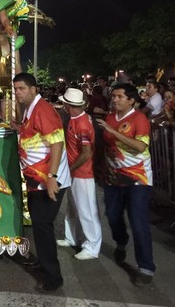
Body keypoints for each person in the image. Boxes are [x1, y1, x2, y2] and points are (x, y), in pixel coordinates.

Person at [11, 72, 71, 292]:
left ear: (34, 89)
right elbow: (37, 137)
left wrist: (52, 177)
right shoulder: (31, 109)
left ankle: (53, 277)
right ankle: (44, 264)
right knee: (38, 224)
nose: (17, 93)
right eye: (15, 89)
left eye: (22, 89)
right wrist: (18, 129)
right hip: (37, 179)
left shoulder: (43, 110)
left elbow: (56, 144)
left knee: (43, 225)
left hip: (47, 180)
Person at [96, 83, 155, 286]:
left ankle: (146, 268)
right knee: (112, 215)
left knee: (138, 221)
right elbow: (106, 146)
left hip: (139, 178)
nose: (115, 99)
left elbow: (140, 146)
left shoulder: (139, 118)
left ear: (132, 100)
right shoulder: (111, 117)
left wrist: (113, 131)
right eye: (113, 96)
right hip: (114, 177)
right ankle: (121, 241)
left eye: (120, 96)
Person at [56, 88, 102, 260]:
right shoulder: (76, 119)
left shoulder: (82, 124)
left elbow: (86, 153)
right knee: (73, 207)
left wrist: (71, 168)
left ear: (68, 105)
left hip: (82, 173)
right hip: (75, 171)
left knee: (86, 210)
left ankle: (92, 246)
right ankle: (72, 237)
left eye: (64, 104)